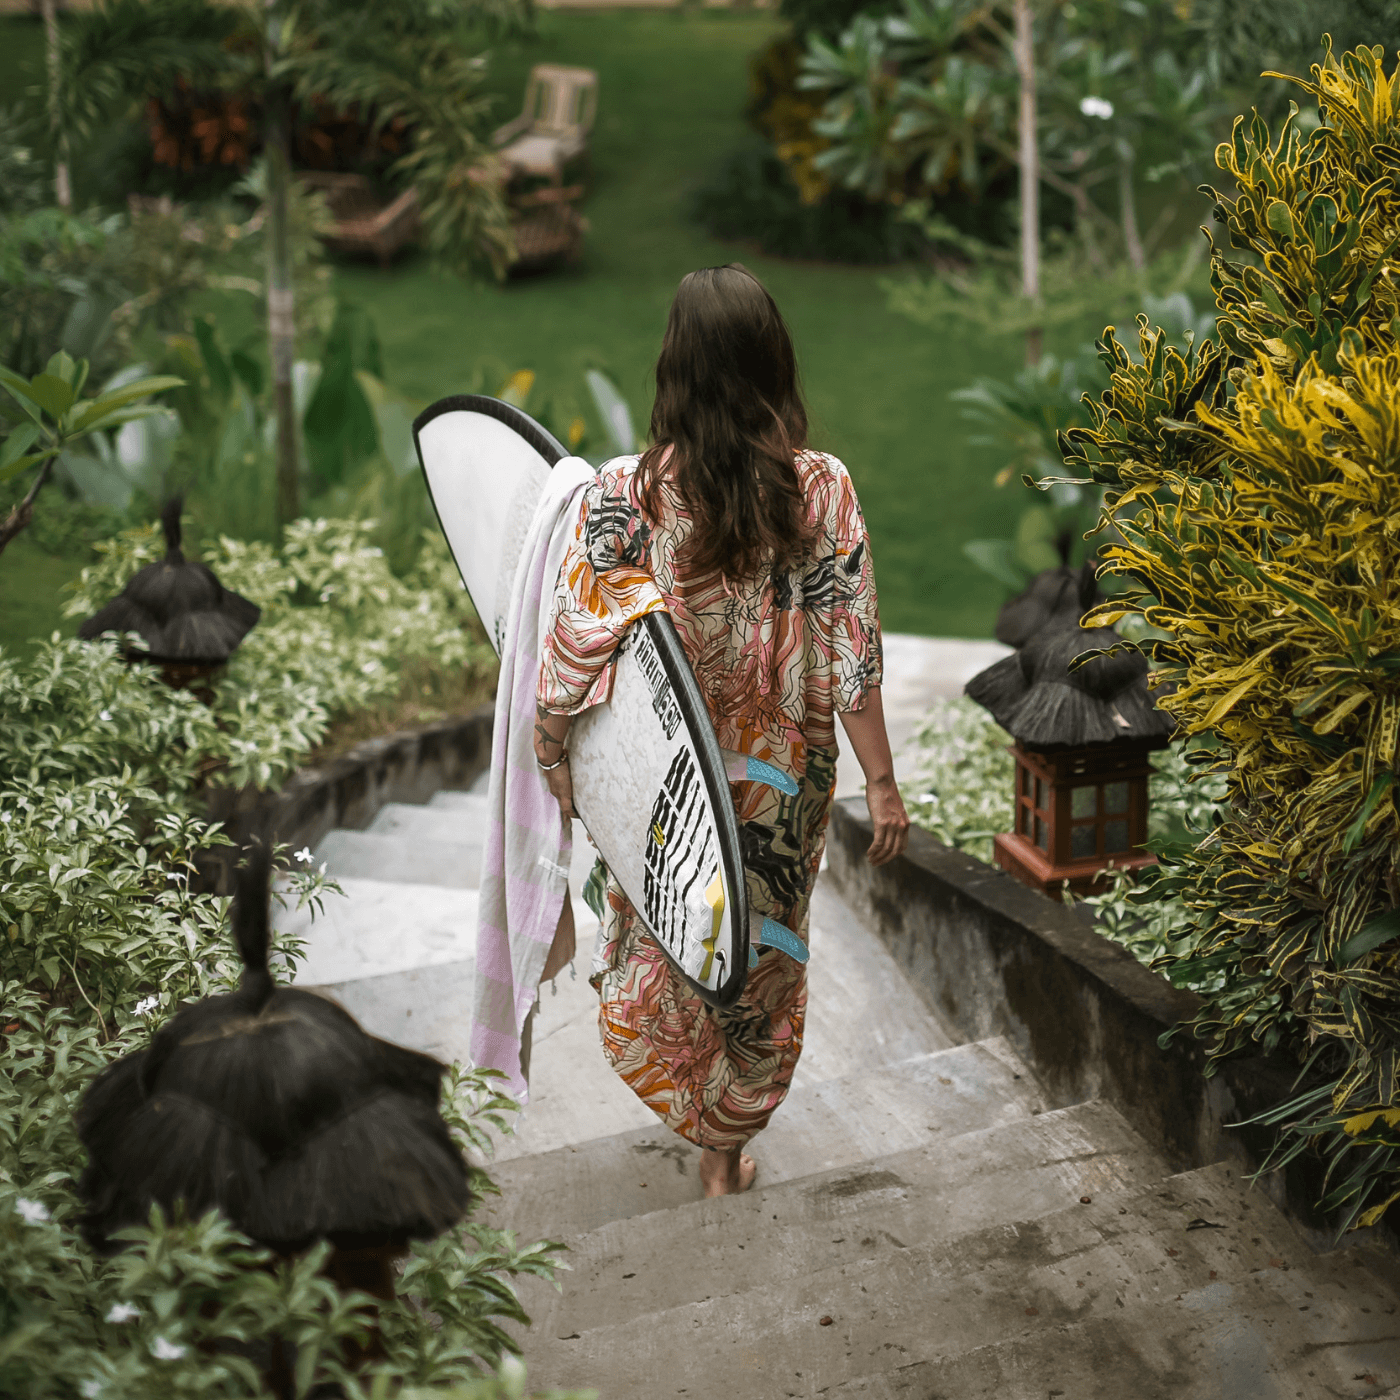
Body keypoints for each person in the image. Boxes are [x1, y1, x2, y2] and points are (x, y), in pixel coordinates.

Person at [533, 264, 909, 1197]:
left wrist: (553, 747)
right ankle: (725, 1151)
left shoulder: (626, 493)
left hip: (666, 785)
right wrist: (883, 784)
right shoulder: (821, 490)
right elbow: (852, 652)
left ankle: (697, 1113)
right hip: (783, 786)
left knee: (672, 938)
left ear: (674, 369)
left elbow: (579, 631)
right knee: (760, 958)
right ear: (773, 361)